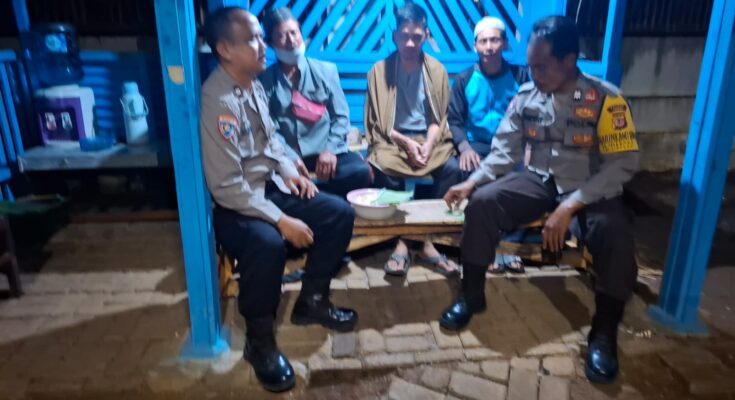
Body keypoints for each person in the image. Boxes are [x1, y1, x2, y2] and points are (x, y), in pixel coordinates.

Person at [439, 16, 640, 385]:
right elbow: (503, 152)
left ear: (569, 60)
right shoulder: (527, 96)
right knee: (482, 203)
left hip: (591, 188)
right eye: (531, 66)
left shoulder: (605, 98)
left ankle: (604, 333)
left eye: (541, 67)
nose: (533, 74)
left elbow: (623, 164)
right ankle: (472, 294)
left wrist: (570, 205)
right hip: (540, 179)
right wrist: (471, 183)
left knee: (615, 233)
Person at [200, 7, 357, 392]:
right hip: (237, 204)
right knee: (268, 243)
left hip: (266, 188)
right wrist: (282, 221)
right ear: (225, 49)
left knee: (338, 213)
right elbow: (226, 186)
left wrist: (289, 171)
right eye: (253, 39)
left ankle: (312, 300)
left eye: (260, 37)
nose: (262, 45)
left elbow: (270, 140)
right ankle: (259, 342)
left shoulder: (251, 83)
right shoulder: (219, 101)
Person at [364, 1, 462, 277]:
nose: (410, 43)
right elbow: (378, 123)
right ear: (395, 36)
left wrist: (427, 146)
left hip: (428, 139)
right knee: (383, 164)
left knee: (451, 168)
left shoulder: (437, 71)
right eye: (404, 36)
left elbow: (438, 120)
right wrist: (406, 144)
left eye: (416, 37)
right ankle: (413, 241)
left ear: (426, 35)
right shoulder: (378, 71)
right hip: (392, 141)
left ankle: (416, 238)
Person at [260, 7, 371, 198]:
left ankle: (313, 196)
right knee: (270, 182)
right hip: (289, 156)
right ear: (270, 43)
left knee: (360, 172)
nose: (291, 41)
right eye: (282, 36)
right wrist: (289, 158)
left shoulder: (326, 71)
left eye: (294, 33)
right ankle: (320, 198)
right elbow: (269, 130)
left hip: (327, 154)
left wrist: (329, 151)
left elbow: (341, 117)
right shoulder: (264, 82)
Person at [447, 16, 528, 274]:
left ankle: (509, 246)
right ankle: (480, 247)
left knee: (525, 178)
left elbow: (533, 114)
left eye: (495, 40)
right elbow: (454, 120)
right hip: (477, 145)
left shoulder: (521, 75)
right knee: (465, 174)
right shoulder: (464, 79)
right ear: (475, 46)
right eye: (483, 41)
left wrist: (529, 148)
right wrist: (464, 147)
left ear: (505, 43)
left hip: (512, 146)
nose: (489, 47)